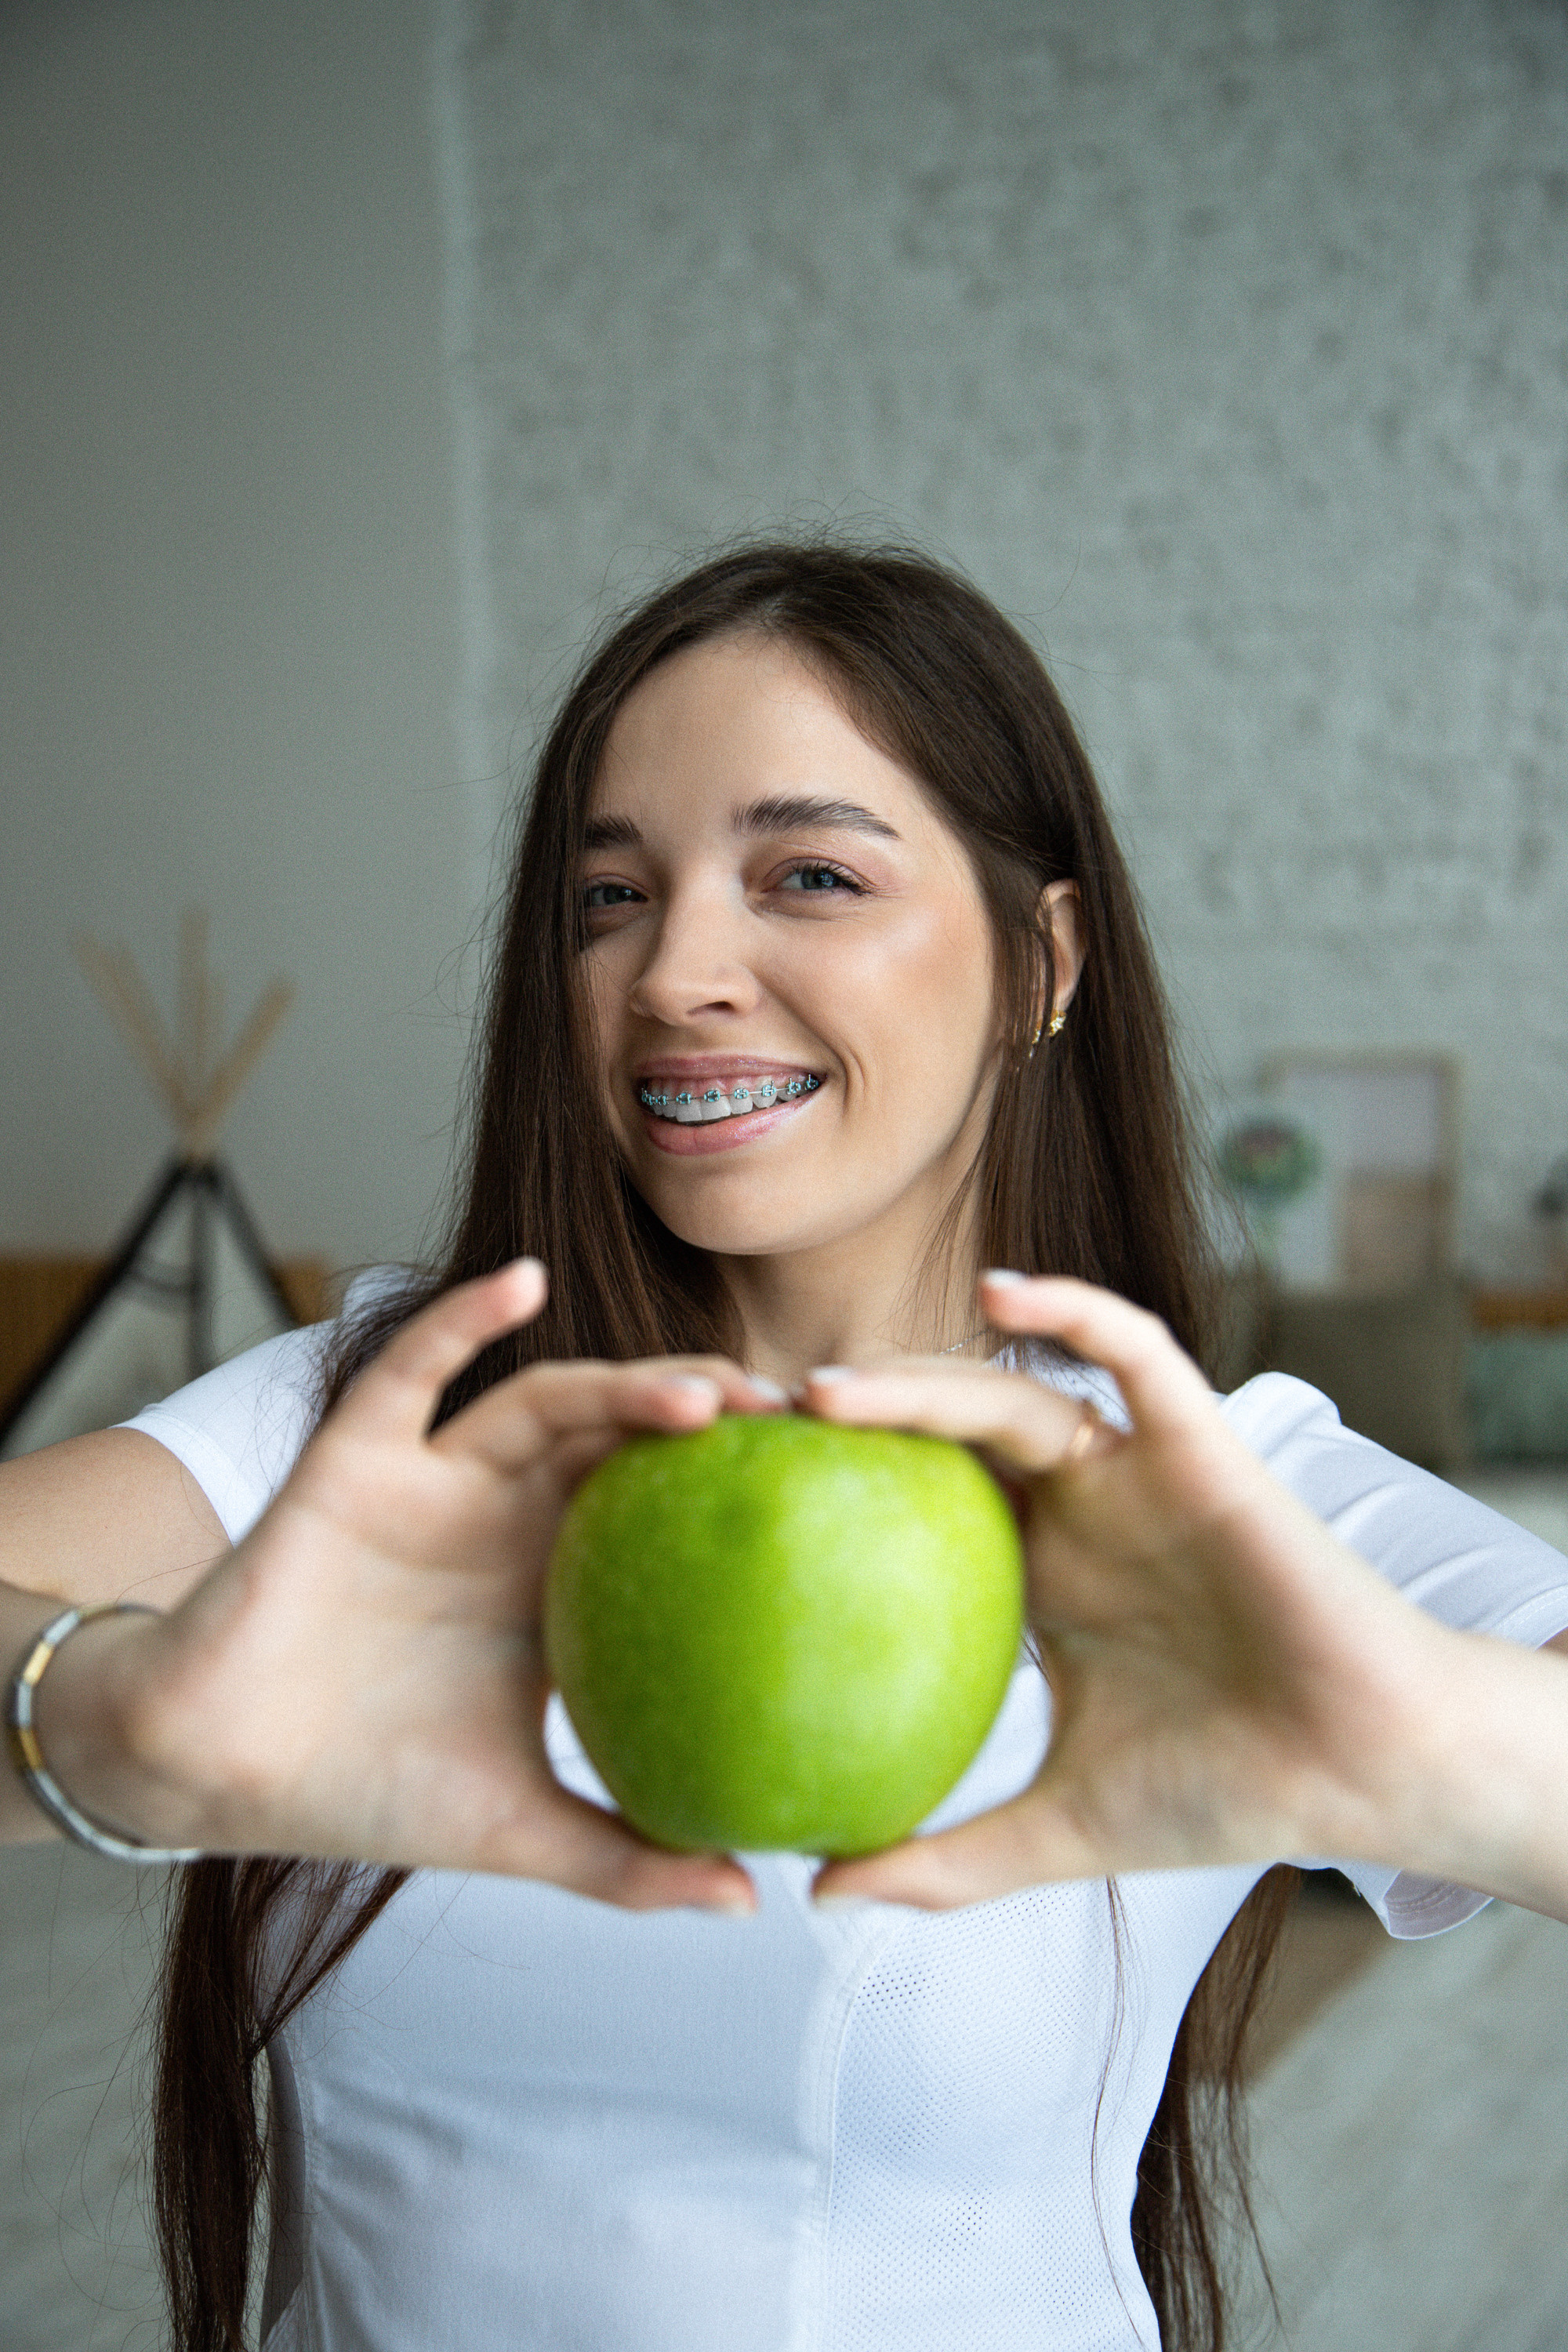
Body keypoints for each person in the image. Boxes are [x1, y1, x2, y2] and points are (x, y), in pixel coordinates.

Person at [4, 540, 1568, 2352]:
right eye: (609, 897)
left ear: (1040, 961)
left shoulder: (1201, 1501)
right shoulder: (388, 1434)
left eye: (808, 875)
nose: (674, 971)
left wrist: (1408, 1745)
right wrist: (109, 1724)